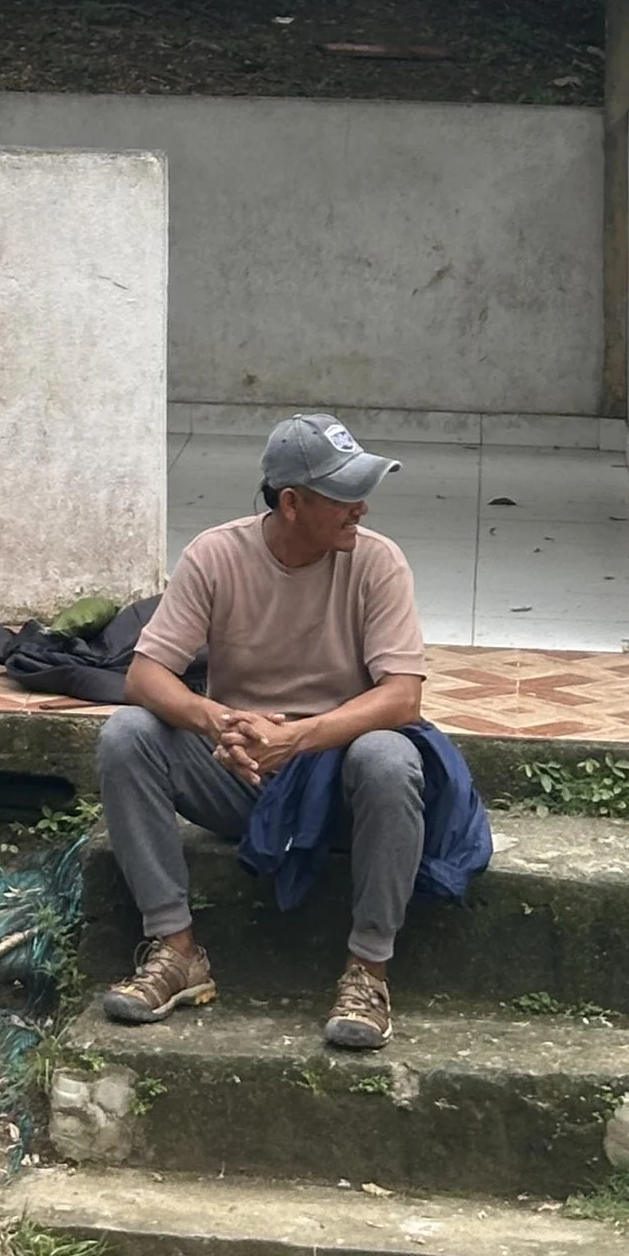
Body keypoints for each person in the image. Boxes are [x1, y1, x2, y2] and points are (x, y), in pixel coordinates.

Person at [97, 410, 429, 1052]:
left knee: (390, 757)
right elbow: (145, 675)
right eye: (344, 494)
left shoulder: (378, 562)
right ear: (293, 503)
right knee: (126, 734)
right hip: (240, 775)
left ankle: (368, 970)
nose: (360, 507)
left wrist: (299, 738)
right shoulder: (217, 554)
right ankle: (176, 950)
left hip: (336, 784)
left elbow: (403, 698)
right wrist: (220, 722)